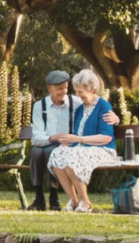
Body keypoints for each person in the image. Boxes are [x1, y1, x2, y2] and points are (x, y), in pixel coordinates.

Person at [27, 70, 118, 211]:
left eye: (80, 92)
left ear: (92, 89)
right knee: (57, 154)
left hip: (102, 149)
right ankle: (73, 200)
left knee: (70, 157)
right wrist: (66, 141)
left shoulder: (102, 105)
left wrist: (117, 119)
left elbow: (106, 137)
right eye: (76, 91)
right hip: (81, 148)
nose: (77, 95)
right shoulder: (80, 107)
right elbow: (75, 137)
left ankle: (85, 201)